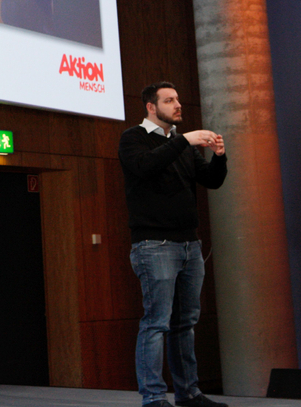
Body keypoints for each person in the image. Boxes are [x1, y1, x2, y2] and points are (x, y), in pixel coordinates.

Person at [118, 82, 229, 407]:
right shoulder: (133, 138)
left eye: (178, 99)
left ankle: (188, 392)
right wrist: (184, 140)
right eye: (169, 100)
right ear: (151, 107)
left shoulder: (180, 145)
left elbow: (211, 180)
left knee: (186, 323)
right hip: (154, 244)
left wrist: (219, 157)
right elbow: (144, 166)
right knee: (156, 323)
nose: (178, 105)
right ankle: (153, 398)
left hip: (188, 246)